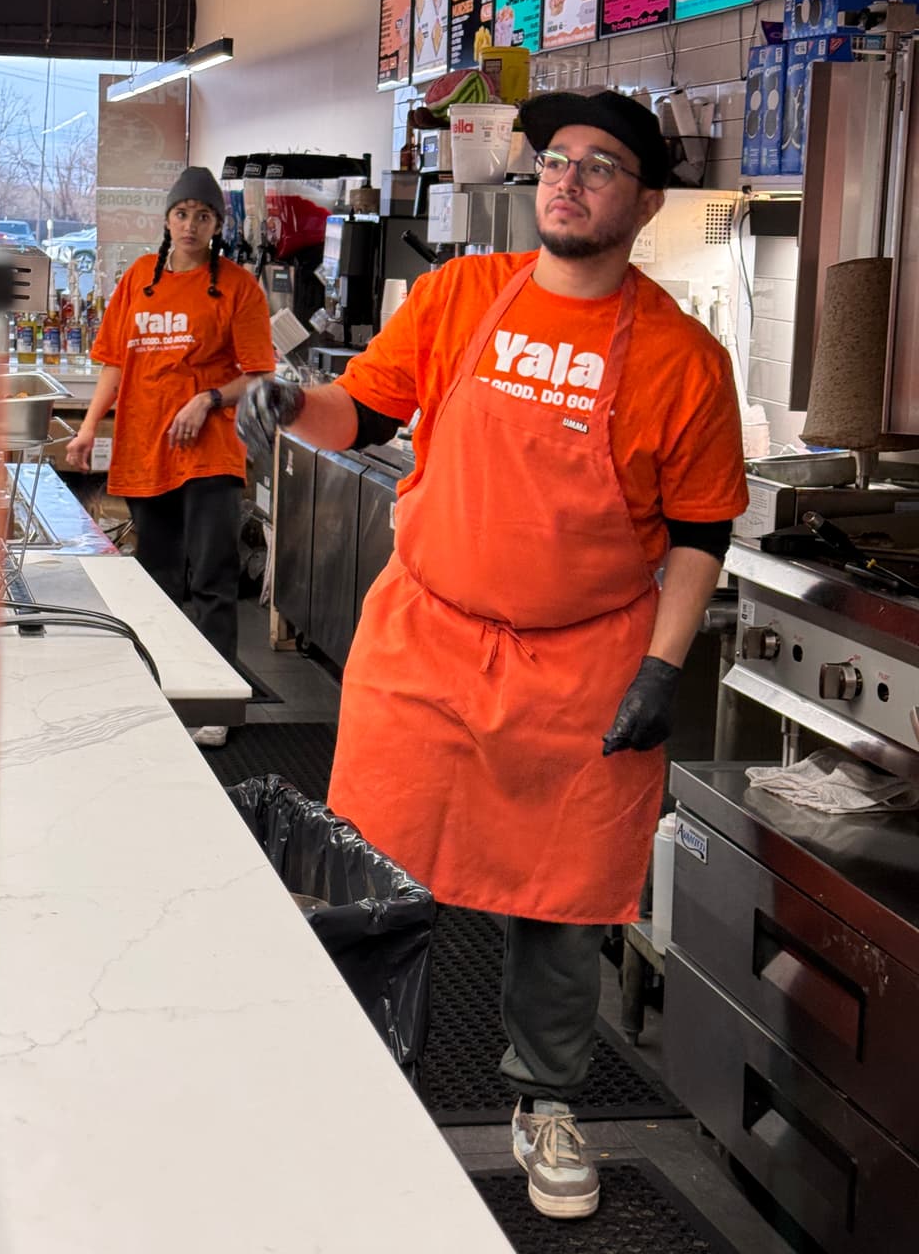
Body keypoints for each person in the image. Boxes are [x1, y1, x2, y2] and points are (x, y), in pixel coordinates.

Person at [238, 90, 747, 1220]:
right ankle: (339, 1075)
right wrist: (288, 400)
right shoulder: (463, 294)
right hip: (426, 642)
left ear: (646, 201)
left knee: (564, 904)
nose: (566, 178)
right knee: (360, 871)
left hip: (581, 667)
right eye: (556, 160)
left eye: (601, 165)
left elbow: (703, 532)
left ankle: (546, 1099)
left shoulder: (681, 358)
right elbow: (361, 412)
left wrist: (663, 668)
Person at [67, 167, 274, 745]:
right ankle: (155, 688)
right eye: (181, 213)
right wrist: (87, 431)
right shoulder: (139, 278)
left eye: (203, 216)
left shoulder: (237, 287)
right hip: (144, 448)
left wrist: (208, 399)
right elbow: (114, 364)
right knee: (154, 580)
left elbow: (257, 375)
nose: (190, 224)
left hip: (210, 454)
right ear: (166, 219)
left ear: (216, 225)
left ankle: (213, 702)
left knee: (211, 576)